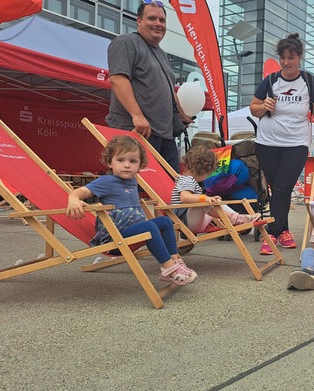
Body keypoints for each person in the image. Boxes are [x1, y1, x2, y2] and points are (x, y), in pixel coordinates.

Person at [250, 33, 314, 255]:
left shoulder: (309, 81)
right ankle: (284, 232)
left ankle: (272, 234)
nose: (286, 62)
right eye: (283, 57)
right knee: (278, 190)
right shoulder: (271, 81)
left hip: (296, 144)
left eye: (291, 58)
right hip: (267, 143)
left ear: (299, 58)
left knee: (283, 188)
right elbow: (253, 108)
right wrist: (264, 106)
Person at [66, 135, 197, 286]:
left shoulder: (132, 181)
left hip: (132, 233)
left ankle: (175, 260)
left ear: (140, 165)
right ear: (110, 162)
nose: (127, 165)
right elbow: (79, 192)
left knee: (165, 221)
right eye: (121, 160)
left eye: (133, 161)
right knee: (150, 226)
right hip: (115, 239)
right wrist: (74, 199)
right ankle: (168, 268)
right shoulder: (106, 181)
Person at [106, 0, 190, 173]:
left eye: (162, 20)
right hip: (136, 131)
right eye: (152, 18)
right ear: (139, 21)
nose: (158, 24)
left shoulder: (163, 55)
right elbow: (118, 79)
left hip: (164, 134)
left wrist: (181, 115)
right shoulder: (126, 42)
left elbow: (169, 89)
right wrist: (137, 115)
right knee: (132, 188)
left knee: (171, 189)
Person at [170, 146, 261, 234]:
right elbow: (184, 197)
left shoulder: (189, 180)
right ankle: (234, 219)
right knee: (203, 202)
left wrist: (208, 199)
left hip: (193, 220)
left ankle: (236, 217)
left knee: (215, 201)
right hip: (184, 222)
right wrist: (205, 198)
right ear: (202, 171)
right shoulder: (187, 180)